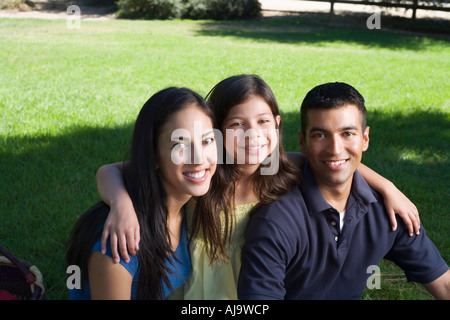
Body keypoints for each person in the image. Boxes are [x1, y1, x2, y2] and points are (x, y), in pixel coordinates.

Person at [95, 75, 421, 299]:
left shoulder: (282, 171)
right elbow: (114, 169)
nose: (252, 136)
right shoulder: (204, 176)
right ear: (217, 131)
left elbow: (337, 160)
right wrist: (122, 205)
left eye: (263, 122)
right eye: (237, 125)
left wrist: (388, 187)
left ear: (277, 125)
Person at [237, 82, 450, 300]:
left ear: (365, 139)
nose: (335, 149)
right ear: (302, 142)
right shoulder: (275, 221)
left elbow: (444, 283)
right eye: (320, 135)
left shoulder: (389, 209)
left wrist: (388, 186)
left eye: (347, 133)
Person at [65, 87, 218, 299]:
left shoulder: (186, 207)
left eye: (207, 140)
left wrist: (119, 200)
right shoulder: (119, 242)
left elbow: (110, 169)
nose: (199, 158)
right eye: (180, 145)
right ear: (153, 156)